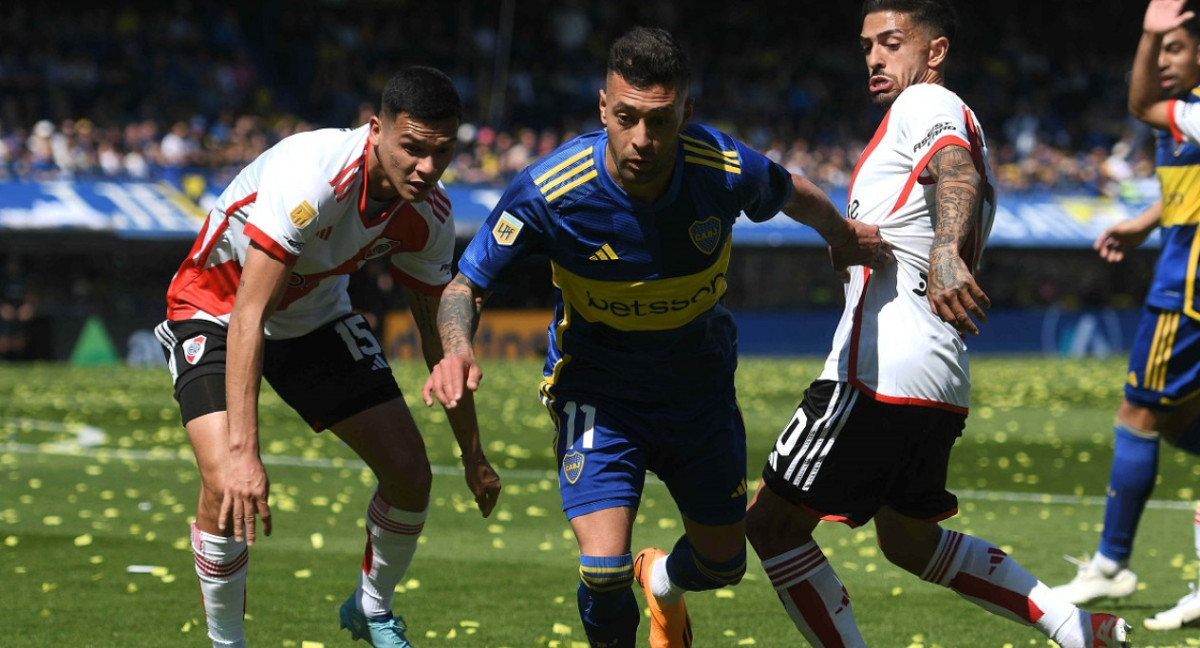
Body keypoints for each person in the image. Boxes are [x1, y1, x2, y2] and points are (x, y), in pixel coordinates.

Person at [422, 26, 889, 648]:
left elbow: (790, 192)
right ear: (602, 109)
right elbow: (465, 285)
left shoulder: (722, 167)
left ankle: (662, 576)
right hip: (600, 392)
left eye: (661, 121)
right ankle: (627, 579)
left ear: (685, 114)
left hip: (699, 393)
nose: (642, 138)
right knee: (602, 567)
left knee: (724, 563)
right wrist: (457, 350)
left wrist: (841, 233)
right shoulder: (548, 191)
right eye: (626, 117)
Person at [743, 1, 1133, 646]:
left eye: (891, 42)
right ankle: (1075, 628)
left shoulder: (925, 106)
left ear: (935, 52)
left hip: (875, 372)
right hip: (937, 380)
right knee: (909, 542)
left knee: (771, 527)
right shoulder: (939, 118)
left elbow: (957, 171)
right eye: (867, 44)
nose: (873, 56)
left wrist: (947, 253)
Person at [155, 66, 502, 648]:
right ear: (376, 129)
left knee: (411, 473)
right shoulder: (313, 178)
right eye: (411, 149)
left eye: (441, 153)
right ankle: (227, 642)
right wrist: (245, 453)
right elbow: (247, 314)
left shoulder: (430, 217)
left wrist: (473, 453)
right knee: (224, 482)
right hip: (215, 311)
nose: (425, 167)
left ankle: (371, 608)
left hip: (313, 315)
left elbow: (438, 340)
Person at [1054, 0, 1200, 632]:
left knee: (1139, 412)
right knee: (1178, 424)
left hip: (1188, 291)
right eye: (1161, 49)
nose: (1163, 61)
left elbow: (1139, 104)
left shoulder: (1192, 109)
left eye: (1175, 48)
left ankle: (1112, 561)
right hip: (1180, 270)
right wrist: (1145, 222)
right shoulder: (1188, 118)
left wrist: (1146, 32)